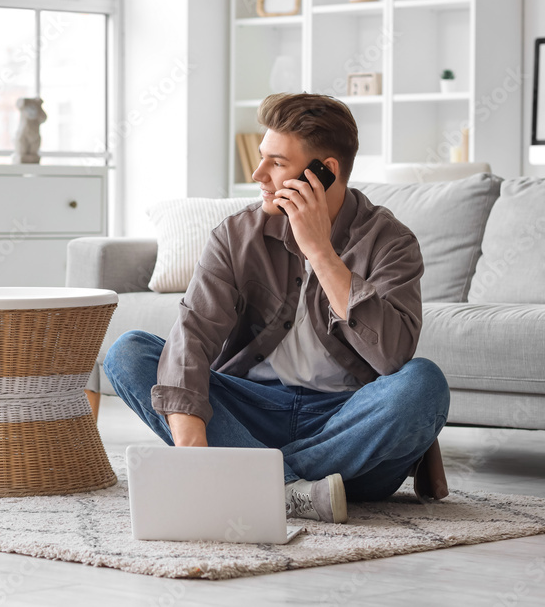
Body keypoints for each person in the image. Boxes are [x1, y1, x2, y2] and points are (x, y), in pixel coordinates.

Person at [104, 93, 450, 524]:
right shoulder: (236, 235)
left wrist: (321, 253)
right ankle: (293, 490)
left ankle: (252, 479)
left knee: (424, 383)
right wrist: (191, 456)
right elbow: (192, 337)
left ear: (326, 172)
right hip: (253, 412)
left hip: (348, 426)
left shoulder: (390, 241)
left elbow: (393, 356)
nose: (257, 174)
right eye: (262, 158)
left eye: (277, 163)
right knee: (130, 352)